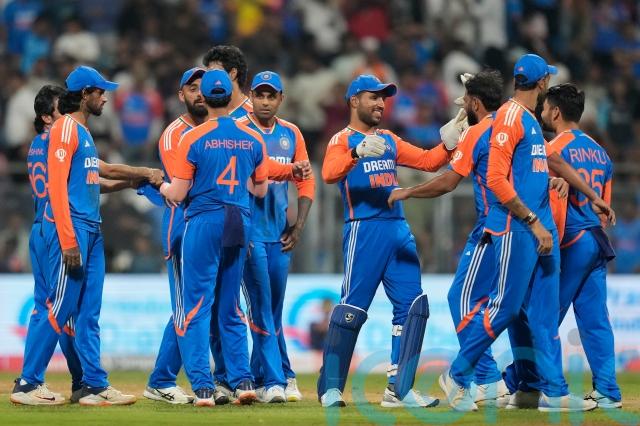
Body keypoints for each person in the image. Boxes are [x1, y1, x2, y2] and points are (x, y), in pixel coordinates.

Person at [438, 54, 611, 413]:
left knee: (544, 317)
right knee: (506, 308)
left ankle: (554, 392)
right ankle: (457, 375)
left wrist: (586, 193)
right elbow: (496, 180)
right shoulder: (510, 117)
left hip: (543, 231)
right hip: (519, 229)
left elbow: (549, 164)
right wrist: (532, 221)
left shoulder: (529, 120)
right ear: (543, 82)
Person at [11, 66, 164, 406]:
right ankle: (28, 383)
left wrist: (134, 179)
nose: (105, 98)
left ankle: (93, 385)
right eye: (100, 91)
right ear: (84, 94)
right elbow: (56, 187)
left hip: (91, 227)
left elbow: (94, 177)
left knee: (87, 312)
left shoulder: (81, 131)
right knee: (58, 306)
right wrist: (67, 239)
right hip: (72, 227)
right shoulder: (65, 129)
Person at [318, 74, 466, 408]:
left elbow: (429, 161)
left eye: (383, 98)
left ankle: (399, 389)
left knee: (414, 308)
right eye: (373, 97)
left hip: (398, 227)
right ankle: (330, 389)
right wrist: (355, 151)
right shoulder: (341, 139)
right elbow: (328, 174)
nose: (380, 103)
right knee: (352, 310)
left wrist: (451, 141)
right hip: (364, 229)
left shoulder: (388, 139)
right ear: (354, 101)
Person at [159, 69, 268, 407]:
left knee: (196, 305)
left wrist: (159, 185)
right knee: (231, 305)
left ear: (204, 98)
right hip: (238, 219)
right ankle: (243, 381)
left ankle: (204, 387)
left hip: (204, 219)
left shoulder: (191, 138)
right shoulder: (253, 137)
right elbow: (260, 189)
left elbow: (178, 193)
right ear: (231, 96)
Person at [541, 83, 621, 409]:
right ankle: (608, 391)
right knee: (595, 320)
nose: (542, 112)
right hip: (597, 241)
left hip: (571, 240)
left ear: (555, 112)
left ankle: (524, 384)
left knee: (545, 316)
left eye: (545, 108)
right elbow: (604, 206)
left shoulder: (551, 148)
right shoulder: (601, 153)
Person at [238, 71, 315, 403]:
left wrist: (299, 226)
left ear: (281, 99)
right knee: (261, 308)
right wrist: (290, 170)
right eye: (260, 95)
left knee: (272, 309)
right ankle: (276, 379)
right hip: (250, 233)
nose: (266, 102)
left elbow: (306, 180)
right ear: (251, 96)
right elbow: (257, 170)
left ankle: (264, 376)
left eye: (272, 96)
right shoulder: (241, 130)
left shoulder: (291, 133)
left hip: (279, 235)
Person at [142, 67, 208, 405]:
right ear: (181, 95)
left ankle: (162, 379)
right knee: (186, 308)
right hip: (182, 228)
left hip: (211, 229)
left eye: (204, 87)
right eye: (192, 88)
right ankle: (168, 381)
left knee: (198, 306)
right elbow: (184, 186)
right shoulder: (174, 134)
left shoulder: (216, 130)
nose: (200, 93)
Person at [203, 45, 252, 119]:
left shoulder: (254, 114)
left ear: (232, 74)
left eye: (216, 72)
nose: (211, 78)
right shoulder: (204, 114)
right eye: (209, 73)